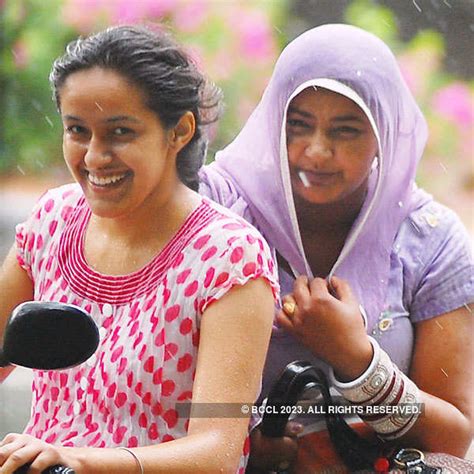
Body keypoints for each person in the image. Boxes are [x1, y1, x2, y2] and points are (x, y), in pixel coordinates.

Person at [0, 25, 279, 473]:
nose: (94, 156)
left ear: (179, 131)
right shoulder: (53, 221)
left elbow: (218, 450)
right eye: (77, 130)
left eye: (120, 132)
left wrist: (82, 461)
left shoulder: (229, 258)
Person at [199, 24, 473, 472]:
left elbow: (451, 438)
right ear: (273, 120)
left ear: (384, 133)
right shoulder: (215, 210)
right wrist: (251, 442)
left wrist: (355, 357)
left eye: (345, 131)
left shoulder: (431, 241)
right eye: (299, 125)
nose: (317, 152)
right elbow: (153, 385)